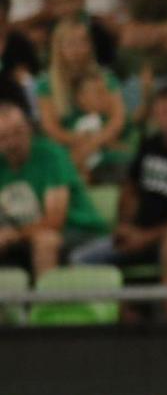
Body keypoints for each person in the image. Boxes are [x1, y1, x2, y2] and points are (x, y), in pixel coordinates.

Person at [70, 83, 167, 319]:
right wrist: (125, 226)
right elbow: (131, 189)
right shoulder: (150, 145)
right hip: (142, 233)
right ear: (156, 117)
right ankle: (127, 320)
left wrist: (147, 237)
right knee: (80, 260)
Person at [0, 101, 105, 279]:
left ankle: (45, 297)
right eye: (3, 137)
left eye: (18, 132)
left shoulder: (51, 155)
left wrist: (14, 234)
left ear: (29, 129)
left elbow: (54, 222)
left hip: (78, 230)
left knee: (45, 241)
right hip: (24, 236)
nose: (13, 142)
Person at [36, 20, 127, 182]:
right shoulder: (46, 85)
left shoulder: (107, 78)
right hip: (66, 147)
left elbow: (118, 119)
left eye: (82, 42)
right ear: (58, 49)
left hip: (104, 143)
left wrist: (95, 142)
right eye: (70, 44)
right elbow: (50, 128)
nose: (77, 49)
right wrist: (78, 141)